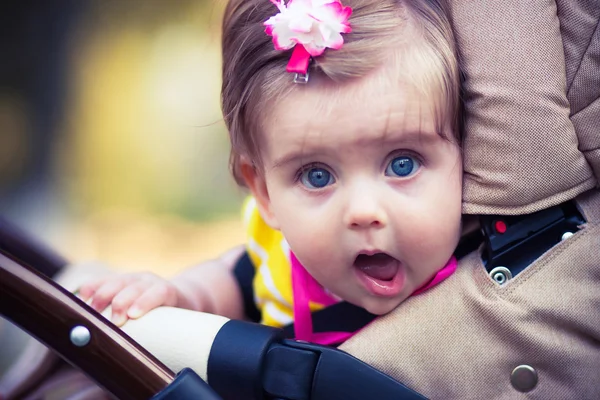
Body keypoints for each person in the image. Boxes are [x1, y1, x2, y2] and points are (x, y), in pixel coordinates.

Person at [79, 0, 463, 345]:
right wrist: (176, 297)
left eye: (402, 164)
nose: (363, 211)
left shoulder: (492, 275)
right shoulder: (280, 259)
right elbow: (226, 282)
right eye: (317, 175)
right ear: (264, 195)